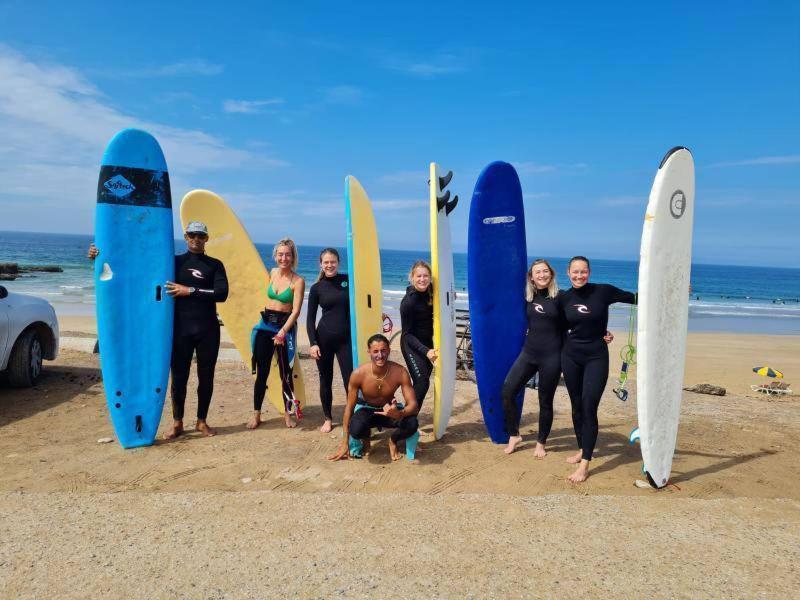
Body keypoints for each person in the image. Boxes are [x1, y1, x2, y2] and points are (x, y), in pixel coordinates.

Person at [87, 221, 229, 439]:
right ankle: (177, 422)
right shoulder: (173, 262)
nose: (196, 239)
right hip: (179, 329)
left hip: (208, 329)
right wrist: (100, 256)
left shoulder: (215, 265)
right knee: (178, 377)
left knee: (206, 377)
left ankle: (202, 421)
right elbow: (137, 267)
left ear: (206, 239)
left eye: (201, 236)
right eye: (192, 235)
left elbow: (221, 293)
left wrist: (188, 290)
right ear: (185, 236)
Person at [559, 256, 635, 483]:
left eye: (583, 271)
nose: (579, 275)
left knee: (589, 407)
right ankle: (582, 448)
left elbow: (638, 298)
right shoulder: (563, 297)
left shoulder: (604, 291)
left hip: (596, 357)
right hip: (570, 356)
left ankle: (584, 466)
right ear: (568, 272)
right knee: (576, 407)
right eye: (575, 272)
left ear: (589, 272)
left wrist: (675, 289)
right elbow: (554, 322)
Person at [501, 259, 563, 457]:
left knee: (545, 401)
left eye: (545, 271)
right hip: (529, 353)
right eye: (538, 272)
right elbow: (503, 298)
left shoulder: (561, 298)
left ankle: (541, 443)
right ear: (531, 277)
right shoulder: (529, 297)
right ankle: (514, 435)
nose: (542, 275)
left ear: (551, 274)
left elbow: (579, 319)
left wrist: (601, 332)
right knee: (508, 391)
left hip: (552, 356)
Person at [327, 334, 419, 462]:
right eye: (375, 351)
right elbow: (349, 408)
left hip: (388, 411)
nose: (380, 355)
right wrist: (344, 442)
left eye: (383, 350)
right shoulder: (358, 374)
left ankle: (393, 440)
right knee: (356, 428)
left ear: (389, 350)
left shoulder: (400, 372)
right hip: (367, 409)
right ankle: (366, 439)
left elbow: (413, 405)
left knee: (412, 423)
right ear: (369, 351)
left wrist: (400, 413)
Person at [249, 238, 305, 430]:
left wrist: (282, 332)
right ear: (275, 256)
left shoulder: (298, 281)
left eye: (288, 254)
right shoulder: (272, 273)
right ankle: (256, 414)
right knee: (261, 373)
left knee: (285, 375)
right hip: (265, 326)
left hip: (284, 328)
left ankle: (287, 416)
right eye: (280, 254)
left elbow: (296, 311)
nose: (284, 258)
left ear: (293, 257)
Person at [306, 248, 353, 433]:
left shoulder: (348, 281)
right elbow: (310, 319)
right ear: (321, 264)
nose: (329, 265)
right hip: (323, 340)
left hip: (346, 340)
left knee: (349, 380)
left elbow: (363, 300)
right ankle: (327, 418)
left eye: (332, 261)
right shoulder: (317, 288)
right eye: (326, 262)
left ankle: (350, 417)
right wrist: (312, 343)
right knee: (325, 380)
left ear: (338, 262)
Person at [399, 261, 438, 410]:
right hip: (411, 345)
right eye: (419, 276)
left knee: (421, 383)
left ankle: (410, 417)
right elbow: (407, 335)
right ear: (412, 278)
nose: (422, 279)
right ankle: (407, 418)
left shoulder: (432, 292)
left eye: (426, 276)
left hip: (428, 343)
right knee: (422, 381)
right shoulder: (408, 302)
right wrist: (426, 351)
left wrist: (450, 298)